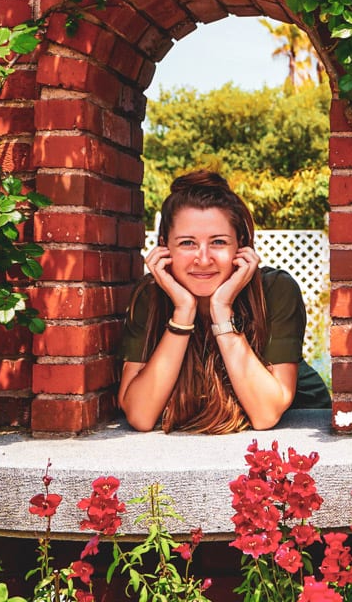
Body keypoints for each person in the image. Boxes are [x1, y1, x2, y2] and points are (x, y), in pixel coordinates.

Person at [118, 170, 331, 433]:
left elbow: (265, 414)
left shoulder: (275, 289)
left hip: (299, 428)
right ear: (164, 246)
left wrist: (221, 311)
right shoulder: (150, 297)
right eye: (187, 243)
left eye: (218, 242)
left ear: (240, 245)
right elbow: (140, 415)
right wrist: (183, 311)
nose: (204, 258)